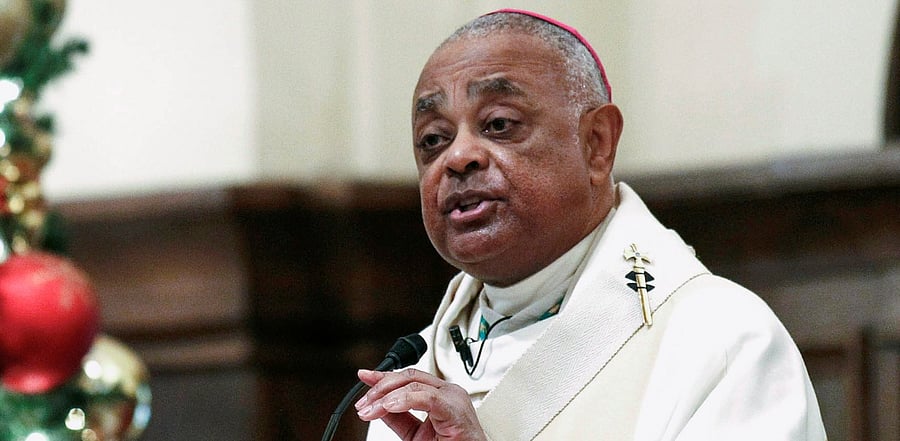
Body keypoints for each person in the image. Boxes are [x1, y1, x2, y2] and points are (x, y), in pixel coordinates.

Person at [354, 9, 827, 441]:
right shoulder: (415, 382)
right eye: (433, 139)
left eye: (499, 124)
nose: (458, 157)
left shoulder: (721, 341)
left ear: (597, 143)